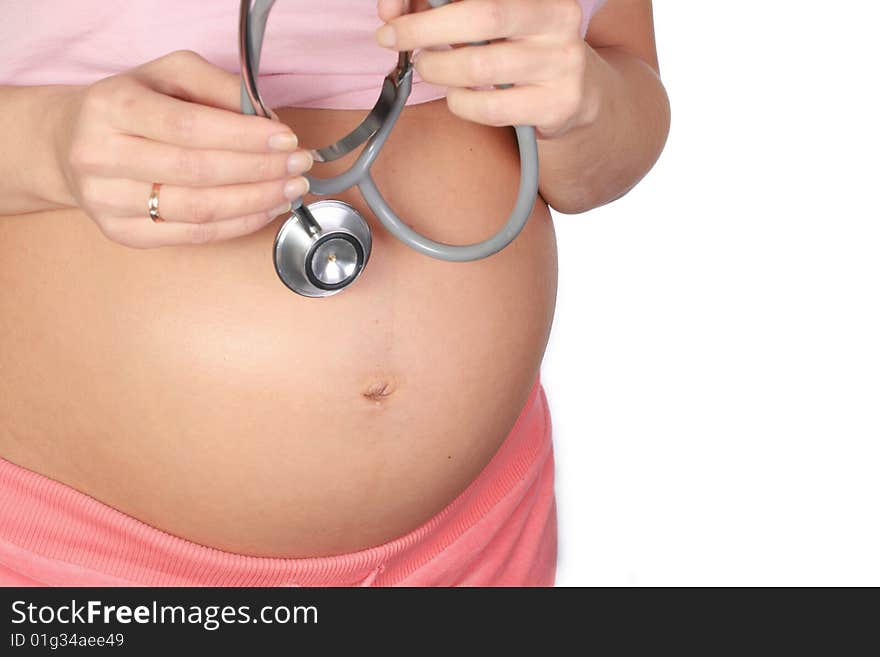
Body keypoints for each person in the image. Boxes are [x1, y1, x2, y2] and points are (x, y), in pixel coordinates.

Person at [0, 0, 669, 586]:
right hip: (89, 561)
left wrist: (584, 104)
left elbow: (621, 97)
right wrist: (47, 145)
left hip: (478, 543)